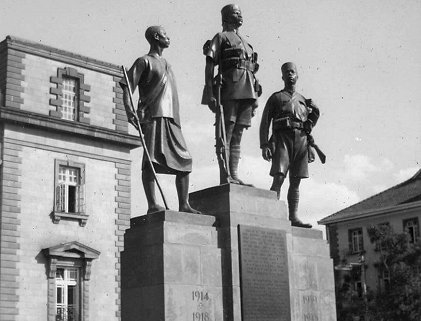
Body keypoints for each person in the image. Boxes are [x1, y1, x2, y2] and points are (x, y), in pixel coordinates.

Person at [120, 26, 200, 214]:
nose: (168, 37)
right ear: (156, 37)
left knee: (185, 161)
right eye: (165, 35)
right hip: (153, 117)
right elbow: (126, 85)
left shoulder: (167, 64)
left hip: (171, 119)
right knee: (150, 160)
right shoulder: (143, 61)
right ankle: (152, 204)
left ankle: (184, 204)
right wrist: (129, 110)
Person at [202, 4, 262, 185]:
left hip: (247, 90)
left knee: (238, 134)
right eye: (236, 13)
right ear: (227, 17)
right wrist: (210, 90)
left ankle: (234, 174)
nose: (240, 15)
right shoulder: (220, 37)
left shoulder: (247, 43)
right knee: (226, 131)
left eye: (240, 12)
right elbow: (210, 64)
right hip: (229, 88)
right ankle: (225, 175)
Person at [259, 62, 319, 228]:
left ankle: (293, 217)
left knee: (296, 180)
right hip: (282, 139)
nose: (290, 75)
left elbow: (308, 125)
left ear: (297, 76)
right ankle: (271, 214)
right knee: (279, 176)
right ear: (282, 76)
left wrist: (311, 145)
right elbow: (265, 122)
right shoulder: (276, 98)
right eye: (287, 72)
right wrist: (264, 144)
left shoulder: (303, 101)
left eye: (293, 72)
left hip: (301, 140)